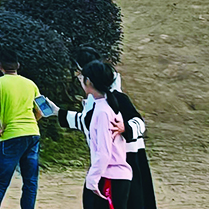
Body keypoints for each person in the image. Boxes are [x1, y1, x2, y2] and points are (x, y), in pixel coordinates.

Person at [65, 54, 154, 209]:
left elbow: (139, 122)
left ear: (89, 80)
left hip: (121, 162)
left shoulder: (111, 103)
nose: (79, 79)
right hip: (109, 167)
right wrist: (57, 112)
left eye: (81, 75)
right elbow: (86, 122)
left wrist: (126, 127)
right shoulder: (100, 102)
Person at [0, 49, 41, 209]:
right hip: (32, 133)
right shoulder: (30, 84)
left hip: (12, 135)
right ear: (18, 65)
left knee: (1, 180)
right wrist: (31, 122)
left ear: (0, 66)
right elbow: (41, 110)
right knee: (30, 181)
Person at [75, 61, 137, 209]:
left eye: (82, 78)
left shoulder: (103, 111)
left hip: (110, 177)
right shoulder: (106, 105)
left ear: (89, 81)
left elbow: (104, 152)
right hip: (109, 176)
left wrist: (92, 179)